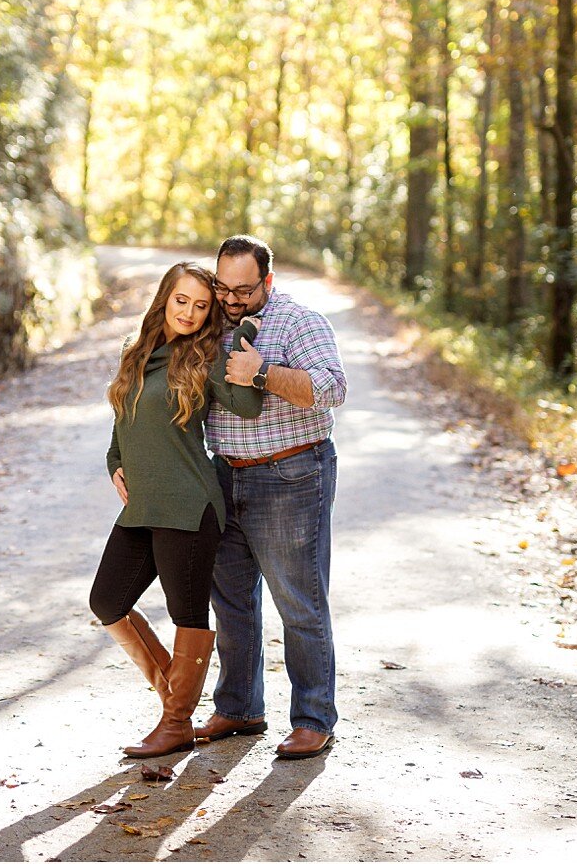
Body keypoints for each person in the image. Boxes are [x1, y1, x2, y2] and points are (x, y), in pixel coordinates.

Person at [89, 261, 264, 759]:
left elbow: (248, 407)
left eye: (201, 306)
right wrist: (114, 462)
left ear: (209, 314)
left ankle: (175, 721)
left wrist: (243, 351)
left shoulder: (205, 357)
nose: (189, 312)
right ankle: (175, 704)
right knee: (106, 602)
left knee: (186, 612)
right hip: (143, 504)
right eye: (181, 300)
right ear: (165, 298)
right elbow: (123, 419)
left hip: (189, 506)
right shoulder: (137, 352)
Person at [196, 235, 347, 760]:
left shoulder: (299, 322)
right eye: (223, 287)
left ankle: (313, 718)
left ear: (268, 281)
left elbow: (331, 389)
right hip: (224, 476)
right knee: (232, 602)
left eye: (243, 289)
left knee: (298, 602)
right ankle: (239, 708)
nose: (231, 299)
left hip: (290, 476)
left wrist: (261, 373)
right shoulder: (211, 320)